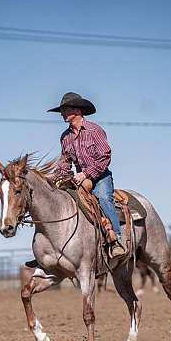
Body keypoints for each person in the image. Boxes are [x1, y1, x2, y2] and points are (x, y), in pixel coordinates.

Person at [48, 92, 126, 258]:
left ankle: (117, 239)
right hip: (80, 179)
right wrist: (57, 179)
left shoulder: (94, 130)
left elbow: (105, 156)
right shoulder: (65, 137)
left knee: (104, 198)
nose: (62, 113)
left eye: (65, 109)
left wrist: (85, 174)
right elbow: (65, 162)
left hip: (100, 176)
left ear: (77, 111)